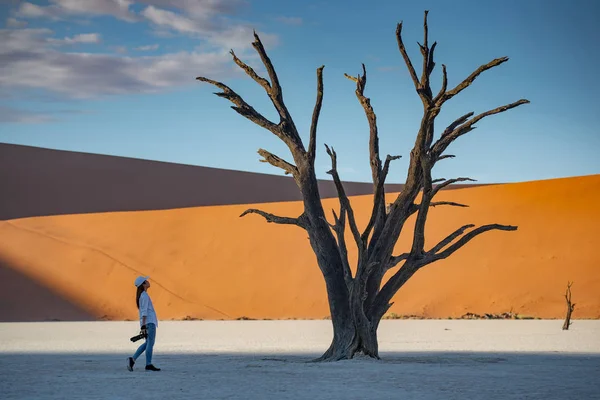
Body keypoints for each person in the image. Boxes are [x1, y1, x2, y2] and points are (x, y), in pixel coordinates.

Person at [127, 276, 161, 372]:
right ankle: (148, 364)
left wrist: (143, 324)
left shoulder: (143, 295)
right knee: (150, 343)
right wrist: (144, 326)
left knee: (148, 343)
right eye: (146, 281)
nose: (148, 281)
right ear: (143, 284)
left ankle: (132, 359)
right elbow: (144, 312)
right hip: (149, 322)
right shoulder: (144, 296)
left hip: (147, 322)